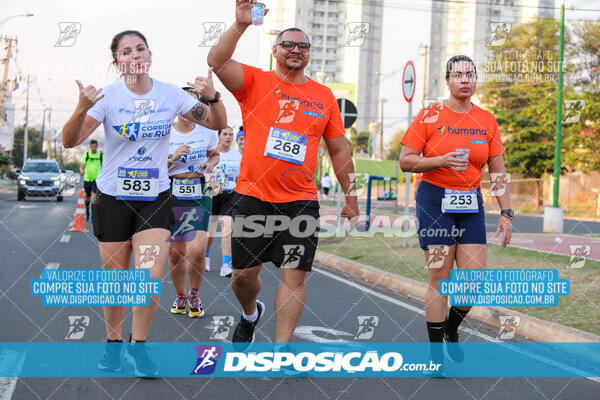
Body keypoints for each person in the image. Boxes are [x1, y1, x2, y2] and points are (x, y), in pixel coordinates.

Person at [62, 30, 226, 377]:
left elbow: (216, 122)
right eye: (126, 51)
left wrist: (214, 98)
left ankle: (139, 346)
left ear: (150, 55)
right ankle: (113, 344)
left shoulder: (169, 94)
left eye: (140, 49)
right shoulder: (107, 97)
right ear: (117, 61)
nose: (134, 55)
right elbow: (70, 139)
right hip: (112, 199)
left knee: (149, 276)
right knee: (116, 278)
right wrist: (81, 108)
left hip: (154, 199)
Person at [207, 0, 359, 344]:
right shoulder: (254, 83)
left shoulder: (323, 97)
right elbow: (216, 62)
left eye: (303, 45)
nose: (295, 50)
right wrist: (241, 24)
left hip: (300, 204)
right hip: (252, 198)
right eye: (288, 44)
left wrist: (352, 197)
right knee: (243, 276)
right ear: (275, 50)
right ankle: (250, 313)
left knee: (295, 277)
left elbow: (339, 150)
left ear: (309, 54)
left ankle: (281, 351)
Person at [399, 55, 512, 373]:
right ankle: (436, 356)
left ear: (476, 80)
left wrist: (507, 213)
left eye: (470, 74)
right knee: (441, 277)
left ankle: (451, 327)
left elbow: (498, 172)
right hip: (434, 199)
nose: (465, 79)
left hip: (470, 203)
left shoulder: (487, 120)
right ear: (447, 80)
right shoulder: (430, 115)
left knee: (474, 282)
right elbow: (406, 161)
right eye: (458, 74)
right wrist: (441, 160)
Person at [167, 87, 220, 318]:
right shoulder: (165, 132)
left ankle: (195, 294)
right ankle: (180, 296)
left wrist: (212, 163)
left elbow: (214, 153)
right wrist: (173, 158)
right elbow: (153, 166)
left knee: (197, 251)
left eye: (193, 105)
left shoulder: (207, 131)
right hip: (172, 193)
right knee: (176, 253)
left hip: (199, 192)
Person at [206, 125, 242, 277]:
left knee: (227, 230)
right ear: (219, 137)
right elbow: (204, 172)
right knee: (211, 230)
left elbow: (240, 177)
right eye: (225, 134)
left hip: (229, 195)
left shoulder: (237, 156)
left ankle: (226, 265)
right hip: (212, 194)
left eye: (230, 134)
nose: (228, 137)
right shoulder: (212, 155)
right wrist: (211, 183)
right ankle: (206, 256)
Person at [79, 139, 103, 220]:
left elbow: (105, 165)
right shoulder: (86, 155)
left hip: (96, 179)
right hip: (87, 179)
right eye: (92, 146)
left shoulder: (100, 155)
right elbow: (82, 165)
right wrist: (82, 170)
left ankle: (93, 214)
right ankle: (88, 212)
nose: (94, 148)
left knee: (94, 196)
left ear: (97, 147)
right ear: (90, 146)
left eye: (95, 146)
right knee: (87, 197)